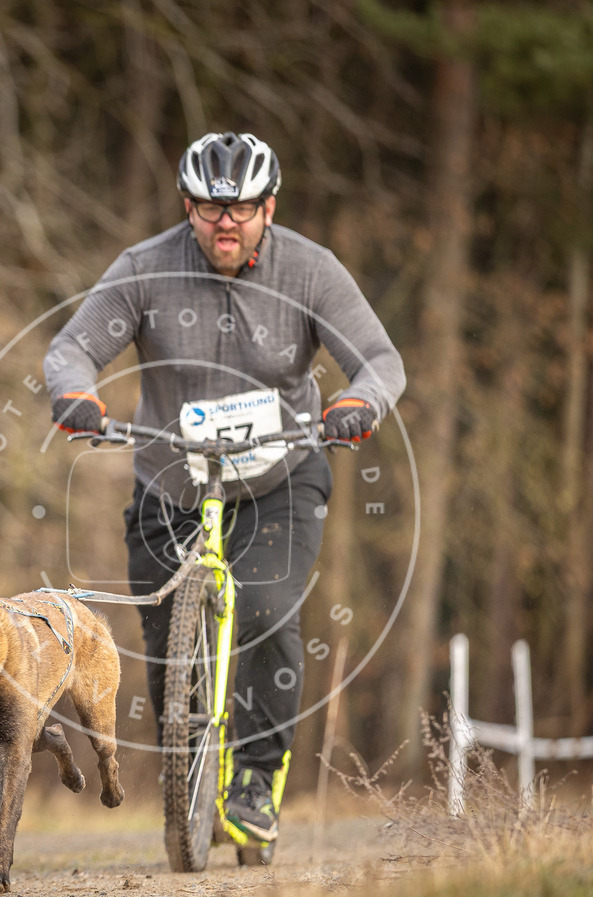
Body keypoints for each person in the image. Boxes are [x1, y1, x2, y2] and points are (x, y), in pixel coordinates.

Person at [44, 131, 405, 853]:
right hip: (170, 477)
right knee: (166, 647)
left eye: (242, 208)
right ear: (188, 207)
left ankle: (255, 782)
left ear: (269, 208)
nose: (226, 223)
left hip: (279, 477)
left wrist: (358, 403)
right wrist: (75, 392)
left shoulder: (311, 271)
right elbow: (72, 347)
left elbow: (378, 359)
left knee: (266, 610)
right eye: (210, 208)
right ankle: (188, 769)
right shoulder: (145, 268)